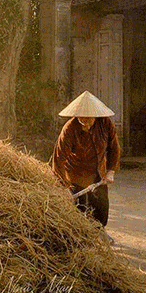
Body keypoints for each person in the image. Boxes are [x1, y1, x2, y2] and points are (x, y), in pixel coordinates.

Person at [50, 91, 120, 227]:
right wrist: (63, 186)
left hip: (98, 173)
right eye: (82, 120)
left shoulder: (105, 124)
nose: (86, 124)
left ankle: (100, 232)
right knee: (79, 209)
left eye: (89, 120)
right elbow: (59, 158)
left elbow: (114, 148)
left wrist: (111, 171)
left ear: (95, 115)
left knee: (101, 207)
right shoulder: (69, 129)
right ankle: (81, 235)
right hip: (76, 174)